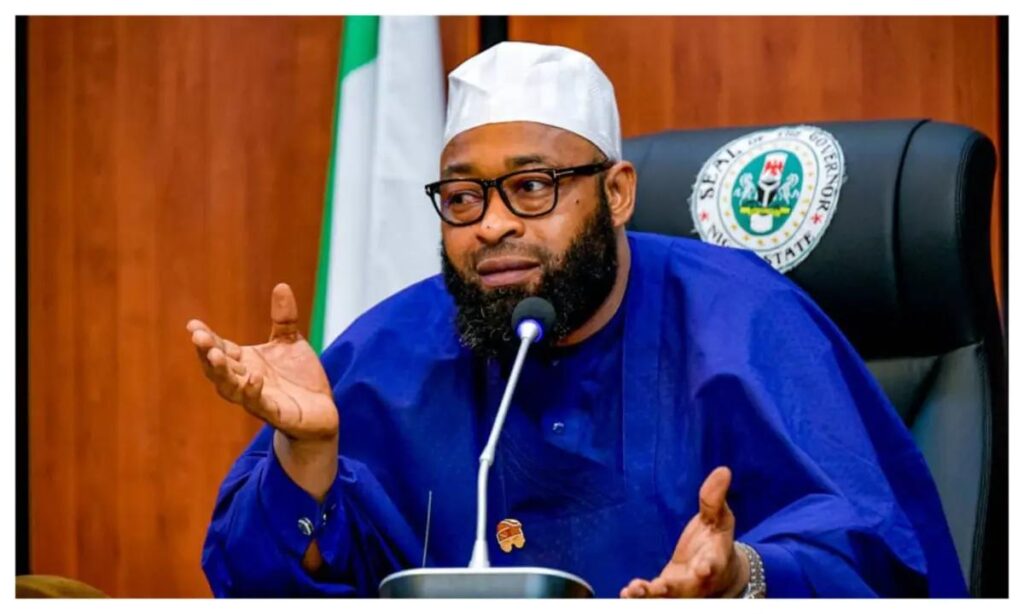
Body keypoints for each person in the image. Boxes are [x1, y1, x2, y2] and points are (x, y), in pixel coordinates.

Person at [188, 41, 966, 598]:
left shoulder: (745, 323)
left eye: (532, 187)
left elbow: (881, 557)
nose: (491, 224)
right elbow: (258, 584)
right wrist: (306, 458)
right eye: (463, 197)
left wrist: (742, 578)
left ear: (617, 194)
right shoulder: (387, 353)